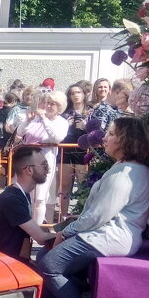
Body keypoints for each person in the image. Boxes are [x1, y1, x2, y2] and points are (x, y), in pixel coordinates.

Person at [39, 117, 149, 298]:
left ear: (125, 140)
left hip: (108, 236)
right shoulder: (127, 168)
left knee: (50, 265)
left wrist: (66, 231)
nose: (105, 138)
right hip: (106, 234)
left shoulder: (124, 175)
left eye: (111, 134)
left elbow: (98, 217)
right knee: (46, 253)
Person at [0, 145, 58, 261]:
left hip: (10, 260)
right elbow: (41, 237)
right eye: (44, 164)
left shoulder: (21, 194)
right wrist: (70, 236)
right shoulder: (12, 200)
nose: (48, 169)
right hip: (3, 264)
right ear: (29, 170)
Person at [14, 90, 69, 224]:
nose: (48, 106)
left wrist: (45, 119)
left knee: (39, 197)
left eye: (52, 104)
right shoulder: (36, 119)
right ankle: (24, 225)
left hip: (44, 161)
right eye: (46, 103)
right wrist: (28, 121)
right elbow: (20, 133)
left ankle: (36, 229)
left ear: (59, 107)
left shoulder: (61, 122)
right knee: (25, 195)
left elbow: (56, 137)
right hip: (26, 159)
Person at [60, 81, 91, 217]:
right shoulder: (65, 113)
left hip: (83, 150)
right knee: (65, 186)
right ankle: (64, 214)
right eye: (72, 93)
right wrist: (65, 126)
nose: (75, 95)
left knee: (83, 184)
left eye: (78, 92)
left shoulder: (90, 111)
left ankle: (80, 213)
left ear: (84, 94)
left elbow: (97, 131)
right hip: (66, 149)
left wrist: (85, 126)